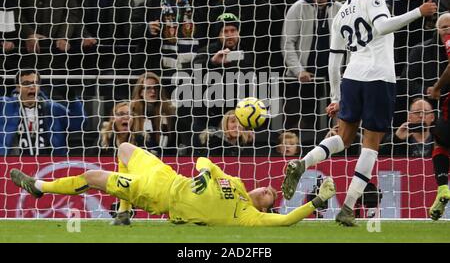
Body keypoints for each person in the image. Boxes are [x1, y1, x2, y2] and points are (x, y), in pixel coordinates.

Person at [281, 0, 437, 226]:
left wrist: (335, 97)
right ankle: (349, 207)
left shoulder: (340, 13)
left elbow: (333, 61)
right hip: (378, 77)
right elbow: (383, 27)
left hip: (351, 78)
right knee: (371, 144)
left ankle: (302, 163)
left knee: (343, 137)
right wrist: (418, 12)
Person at [9, 142, 336, 226]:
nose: (269, 192)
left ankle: (39, 186)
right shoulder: (235, 182)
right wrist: (208, 173)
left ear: (265, 209)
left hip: (156, 193)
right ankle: (124, 212)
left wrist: (317, 202)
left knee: (94, 177)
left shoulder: (248, 217)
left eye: (271, 199)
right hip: (166, 174)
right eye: (269, 189)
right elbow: (205, 162)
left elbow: (288, 219)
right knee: (124, 148)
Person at [281, 0, 342, 130]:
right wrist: (298, 71)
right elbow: (287, 43)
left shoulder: (339, 9)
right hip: (303, 79)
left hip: (333, 78)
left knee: (334, 123)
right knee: (302, 124)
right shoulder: (297, 8)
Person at [0, 69, 85, 156]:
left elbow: (79, 125)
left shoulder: (52, 108)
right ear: (18, 87)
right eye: (26, 83)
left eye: (35, 83)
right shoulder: (5, 106)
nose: (31, 87)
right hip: (11, 162)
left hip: (49, 163)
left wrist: (73, 100)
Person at [427, 25, 450, 221]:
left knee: (440, 143)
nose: (445, 31)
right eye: (442, 27)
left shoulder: (449, 40)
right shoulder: (433, 48)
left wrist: (436, 87)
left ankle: (443, 187)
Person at [130, 72, 176, 156]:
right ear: (140, 92)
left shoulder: (169, 114)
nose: (153, 91)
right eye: (148, 88)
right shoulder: (131, 113)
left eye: (156, 88)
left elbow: (172, 145)